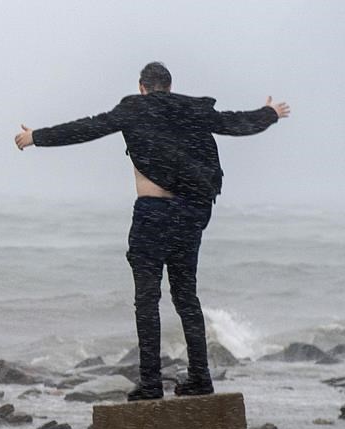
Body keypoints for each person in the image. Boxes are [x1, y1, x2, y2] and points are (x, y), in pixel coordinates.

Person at [15, 62, 290, 401]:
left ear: (142, 87)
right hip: (190, 214)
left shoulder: (134, 108)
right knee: (186, 297)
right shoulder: (191, 109)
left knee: (147, 299)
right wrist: (269, 113)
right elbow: (235, 123)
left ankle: (150, 384)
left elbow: (88, 128)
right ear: (169, 87)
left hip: (153, 214)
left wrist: (35, 137)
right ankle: (200, 378)